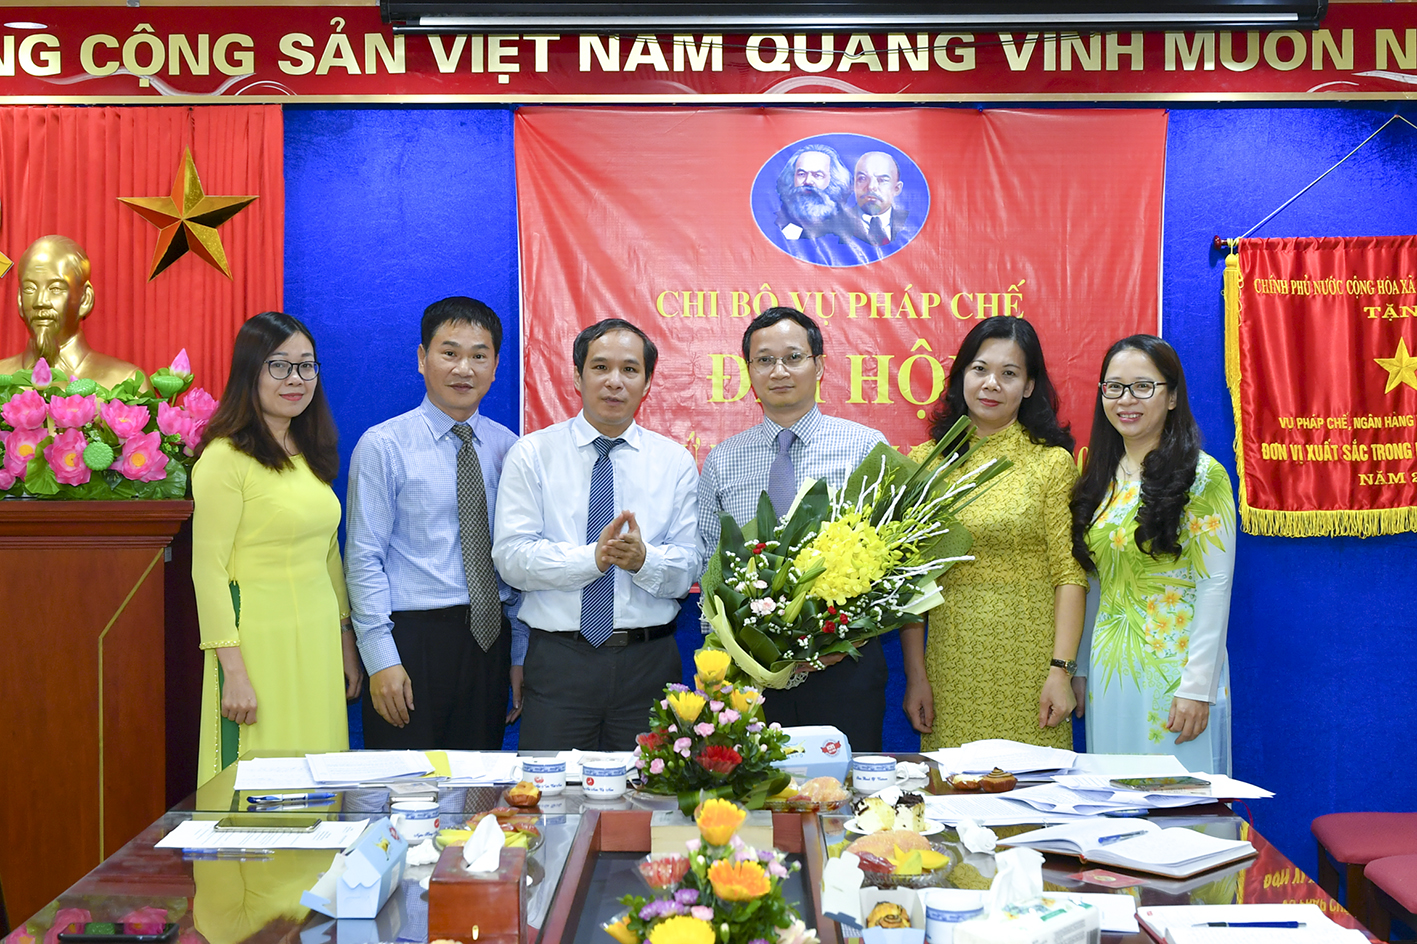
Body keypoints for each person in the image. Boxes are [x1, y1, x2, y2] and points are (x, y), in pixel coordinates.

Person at [697, 306, 904, 753]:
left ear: (820, 365)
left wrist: (845, 637)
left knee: (845, 787)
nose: (779, 371)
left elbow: (894, 559)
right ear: (749, 371)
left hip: (843, 667)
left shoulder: (865, 447)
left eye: (793, 357)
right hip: (751, 674)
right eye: (764, 360)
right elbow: (709, 563)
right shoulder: (723, 460)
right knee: (757, 786)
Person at [492, 318, 701, 752]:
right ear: (577, 376)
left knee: (648, 791)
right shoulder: (532, 454)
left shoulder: (674, 461)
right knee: (549, 788)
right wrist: (593, 559)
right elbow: (511, 558)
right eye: (600, 367)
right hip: (561, 661)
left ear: (647, 383)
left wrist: (644, 561)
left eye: (630, 369)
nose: (614, 381)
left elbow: (689, 567)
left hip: (649, 663)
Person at [345, 297, 526, 750]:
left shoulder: (512, 450)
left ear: (495, 366)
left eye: (479, 356)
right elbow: (364, 559)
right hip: (411, 642)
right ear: (422, 359)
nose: (464, 368)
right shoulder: (384, 445)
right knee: (405, 785)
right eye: (449, 353)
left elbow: (519, 561)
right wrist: (380, 659)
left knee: (479, 784)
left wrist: (519, 654)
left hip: (490, 643)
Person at [191, 311, 362, 786]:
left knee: (319, 777)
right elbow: (207, 571)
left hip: (318, 643)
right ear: (250, 371)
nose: (296, 379)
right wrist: (232, 672)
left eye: (306, 365)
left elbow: (328, 555)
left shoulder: (310, 454)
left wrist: (345, 641)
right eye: (280, 365)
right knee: (261, 785)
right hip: (256, 647)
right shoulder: (224, 459)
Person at [902, 316, 1086, 750]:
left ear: (1029, 386)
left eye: (1009, 373)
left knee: (1038, 787)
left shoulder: (1051, 463)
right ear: (961, 375)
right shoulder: (926, 463)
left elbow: (1069, 575)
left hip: (1033, 664)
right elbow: (910, 583)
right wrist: (916, 676)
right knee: (954, 786)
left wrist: (1060, 670)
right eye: (980, 369)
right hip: (952, 663)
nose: (991, 384)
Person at [1070, 335, 1235, 775]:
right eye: (1114, 387)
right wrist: (1081, 667)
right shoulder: (1100, 480)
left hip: (1174, 667)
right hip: (1111, 667)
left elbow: (1215, 585)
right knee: (1115, 797)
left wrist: (1198, 687)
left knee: (1177, 799)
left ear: (1172, 396)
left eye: (1143, 386)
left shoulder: (1202, 475)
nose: (1126, 400)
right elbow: (1095, 581)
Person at [0, 235, 146, 388]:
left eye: (55, 288)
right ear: (20, 299)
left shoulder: (127, 384)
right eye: (30, 288)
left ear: (85, 299)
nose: (40, 302)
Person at [766, 144, 872, 267]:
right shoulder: (774, 223)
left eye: (818, 175)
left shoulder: (851, 229)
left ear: (833, 180)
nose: (808, 181)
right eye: (801, 174)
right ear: (792, 178)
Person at [852, 151, 916, 249]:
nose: (871, 187)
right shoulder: (833, 224)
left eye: (882, 180)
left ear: (897, 189)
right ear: (854, 185)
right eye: (862, 178)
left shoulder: (912, 223)